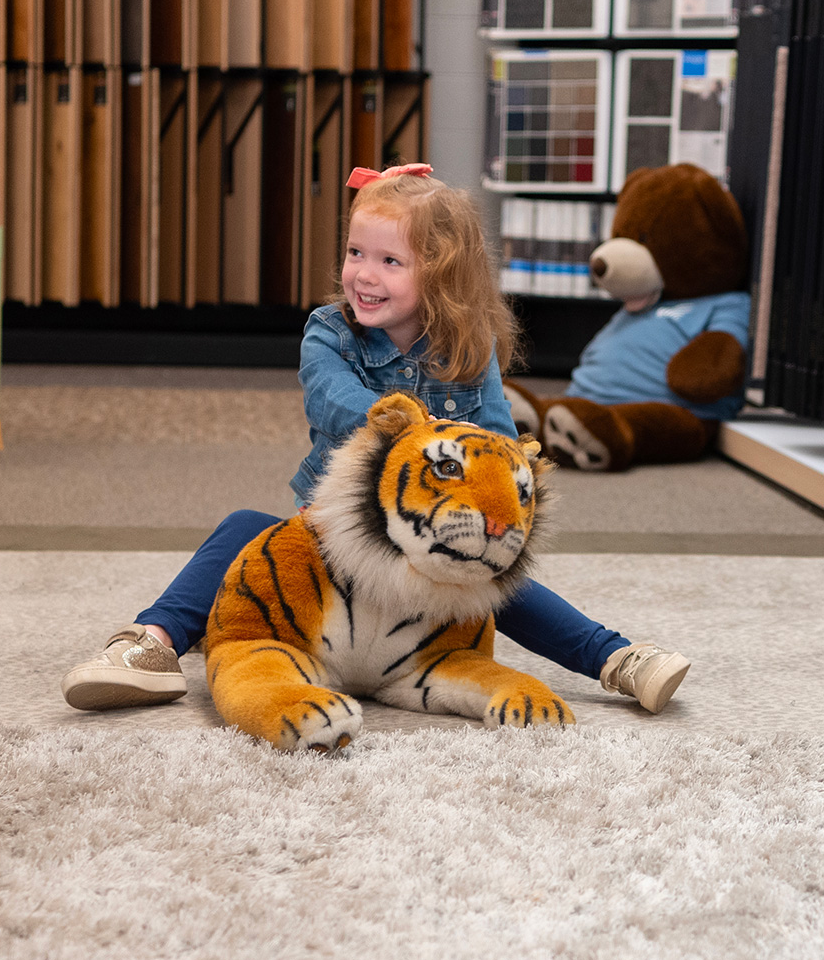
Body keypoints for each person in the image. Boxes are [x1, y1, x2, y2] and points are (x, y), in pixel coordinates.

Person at [61, 164, 690, 716]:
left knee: (505, 584)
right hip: (336, 541)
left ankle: (617, 659)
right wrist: (412, 433)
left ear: (441, 274)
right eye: (356, 253)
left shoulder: (470, 350)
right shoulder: (328, 333)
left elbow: (498, 438)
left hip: (432, 547)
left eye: (390, 262)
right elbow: (331, 402)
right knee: (243, 529)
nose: (364, 274)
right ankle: (153, 644)